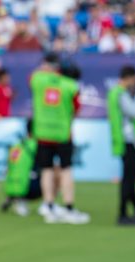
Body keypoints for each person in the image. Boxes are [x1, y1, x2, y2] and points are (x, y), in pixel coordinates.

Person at [30, 53, 90, 224]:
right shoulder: (71, 86)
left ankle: (48, 205)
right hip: (63, 134)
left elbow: (34, 76)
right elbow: (76, 109)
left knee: (46, 170)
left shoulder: (38, 79)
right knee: (66, 170)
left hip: (42, 133)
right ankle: (69, 207)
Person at [107, 65, 135, 226]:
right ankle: (122, 214)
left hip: (124, 139)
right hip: (127, 140)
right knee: (128, 179)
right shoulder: (120, 93)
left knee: (130, 178)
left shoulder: (115, 92)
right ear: (130, 78)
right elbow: (134, 112)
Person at [1, 118, 41, 217]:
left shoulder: (16, 146)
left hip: (11, 187)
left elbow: (6, 170)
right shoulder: (37, 146)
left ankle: (13, 197)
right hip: (28, 187)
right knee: (54, 173)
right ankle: (48, 204)